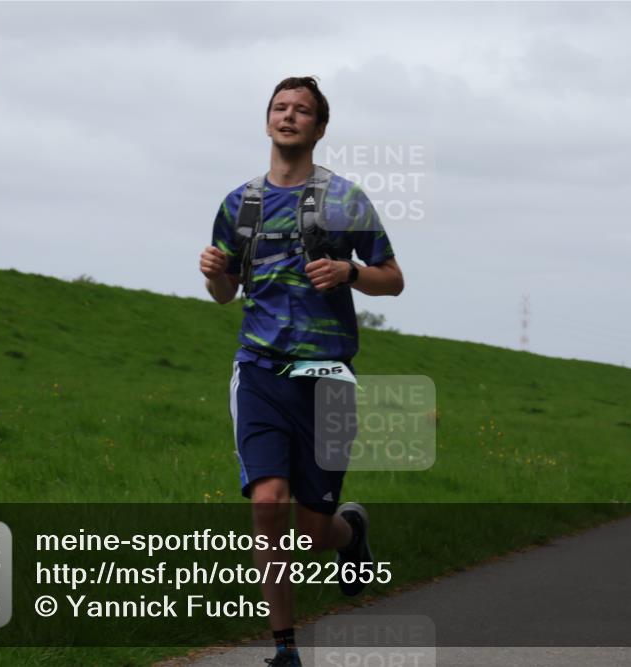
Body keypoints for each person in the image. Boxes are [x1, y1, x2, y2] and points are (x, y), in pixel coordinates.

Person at [200, 76, 404, 667]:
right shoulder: (238, 204)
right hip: (260, 369)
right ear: (268, 121)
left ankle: (349, 533)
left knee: (312, 534)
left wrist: (348, 273)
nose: (289, 117)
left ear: (318, 128)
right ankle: (285, 648)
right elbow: (223, 293)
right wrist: (215, 271)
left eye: (302, 110)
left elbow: (392, 278)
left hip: (328, 379)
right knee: (268, 501)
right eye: (280, 108)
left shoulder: (347, 200)